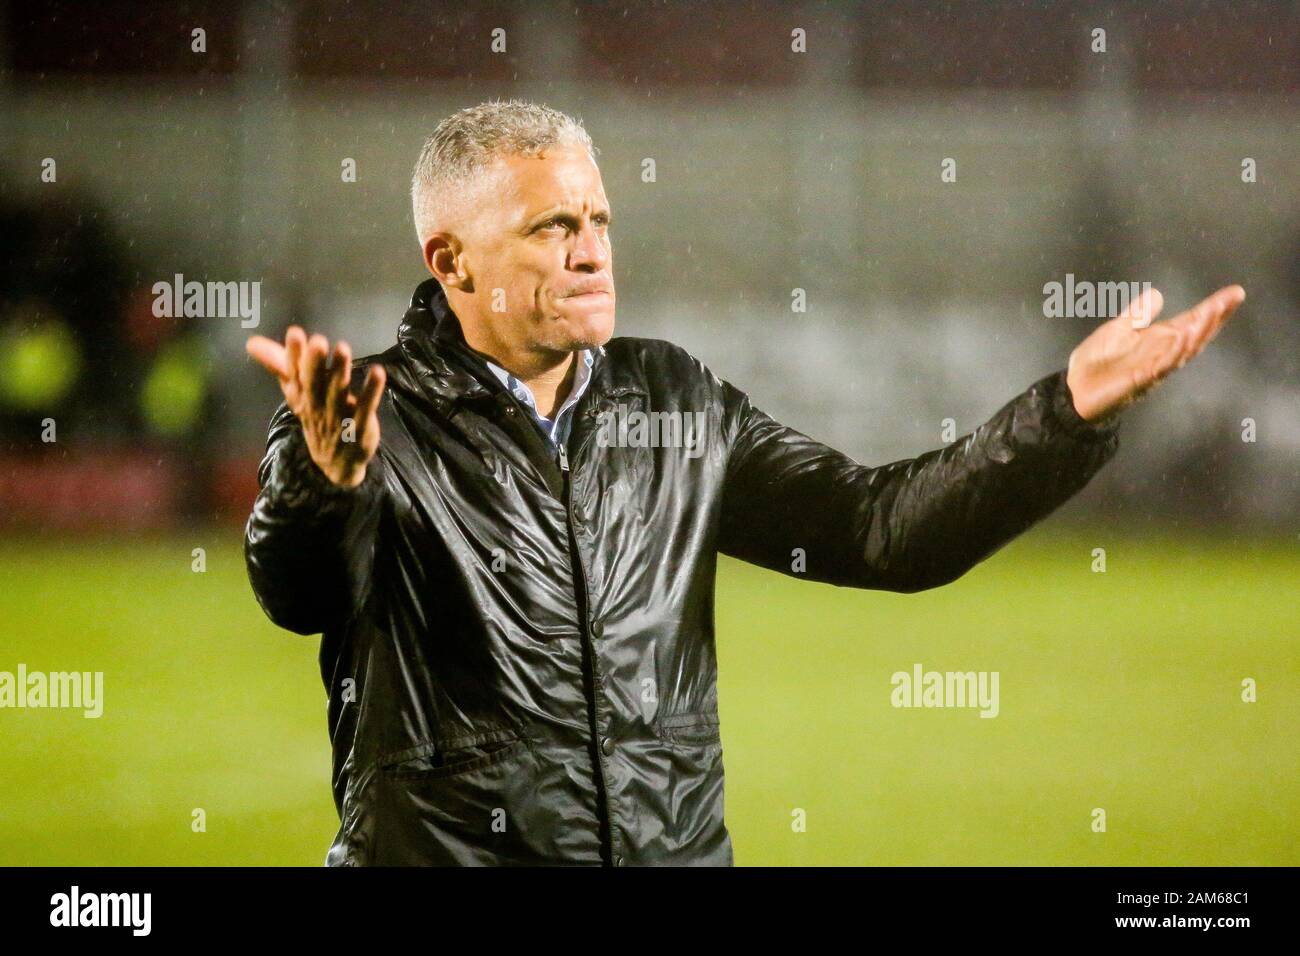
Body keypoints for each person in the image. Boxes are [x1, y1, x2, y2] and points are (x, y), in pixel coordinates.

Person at [243, 99, 1244, 866]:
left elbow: (877, 528)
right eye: (551, 227)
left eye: (599, 218)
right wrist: (324, 484)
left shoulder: (672, 400)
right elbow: (294, 593)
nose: (592, 250)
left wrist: (1066, 409)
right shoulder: (366, 419)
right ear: (450, 260)